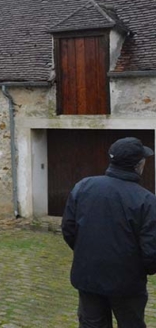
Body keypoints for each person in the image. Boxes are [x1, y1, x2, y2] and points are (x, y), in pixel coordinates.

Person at [62, 137, 156, 328]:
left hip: (88, 276)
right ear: (139, 165)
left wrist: (86, 253)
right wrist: (144, 270)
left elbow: (68, 230)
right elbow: (151, 249)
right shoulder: (146, 200)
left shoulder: (83, 186)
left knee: (92, 324)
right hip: (127, 282)